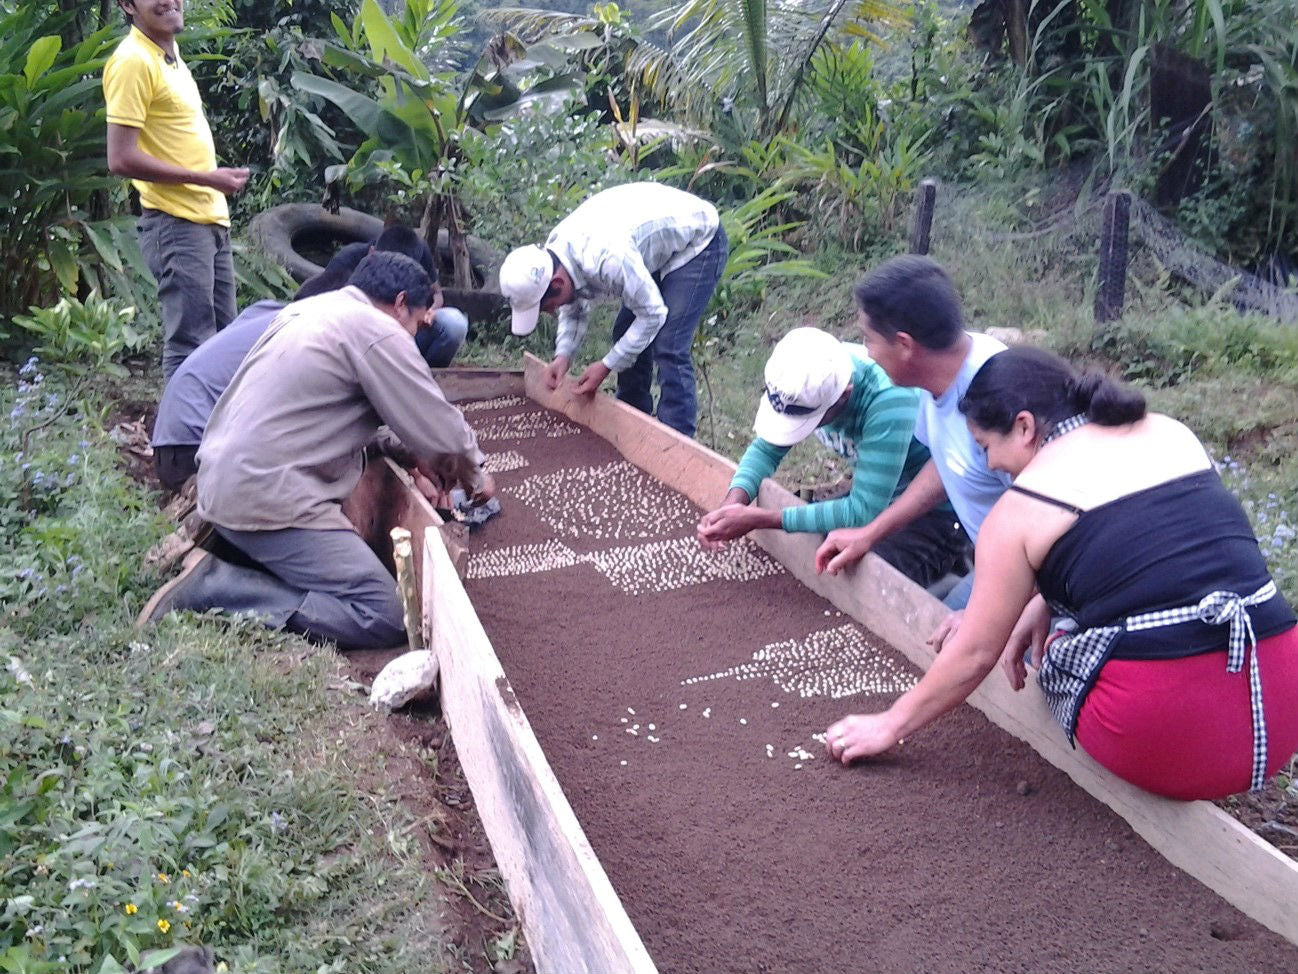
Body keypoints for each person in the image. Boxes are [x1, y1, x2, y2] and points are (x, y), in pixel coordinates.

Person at [825, 346, 1298, 800]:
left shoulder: (1020, 508)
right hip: (1277, 707)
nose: (990, 463)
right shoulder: (1170, 433)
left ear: (1025, 426)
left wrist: (888, 724)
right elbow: (1161, 553)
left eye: (986, 445)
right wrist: (1045, 598)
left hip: (1163, 736)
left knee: (1053, 646)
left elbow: (975, 652)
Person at [139, 252, 494, 649]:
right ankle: (218, 588)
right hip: (266, 498)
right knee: (388, 613)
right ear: (399, 303)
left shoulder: (309, 311)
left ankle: (231, 560)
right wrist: (476, 474)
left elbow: (317, 423)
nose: (416, 334)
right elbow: (438, 426)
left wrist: (408, 453)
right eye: (418, 321)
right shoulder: (378, 330)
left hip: (223, 482)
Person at [150, 228, 467, 492]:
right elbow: (331, 428)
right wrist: (415, 465)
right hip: (193, 448)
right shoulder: (334, 335)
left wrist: (405, 453)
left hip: (174, 438)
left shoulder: (279, 314)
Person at [696, 326, 969, 589]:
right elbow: (767, 448)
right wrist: (732, 504)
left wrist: (762, 518)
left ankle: (957, 570)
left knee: (859, 579)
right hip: (883, 495)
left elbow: (861, 511)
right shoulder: (806, 374)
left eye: (813, 420)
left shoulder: (888, 400)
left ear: (844, 396)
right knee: (810, 548)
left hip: (936, 514)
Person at [814, 256, 1011, 610]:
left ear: (904, 345)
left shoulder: (997, 398)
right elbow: (943, 464)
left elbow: (1054, 520)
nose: (868, 354)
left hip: (1034, 573)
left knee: (946, 636)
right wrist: (869, 534)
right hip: (992, 552)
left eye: (868, 340)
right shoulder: (933, 380)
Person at [498, 182, 728, 438]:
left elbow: (653, 314)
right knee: (625, 330)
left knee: (669, 345)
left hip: (698, 240)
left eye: (547, 306)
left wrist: (607, 365)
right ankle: (633, 419)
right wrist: (563, 355)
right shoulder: (558, 253)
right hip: (646, 244)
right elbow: (574, 304)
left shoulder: (607, 260)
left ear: (557, 284)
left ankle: (677, 442)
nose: (551, 312)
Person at [104, 0, 250, 382]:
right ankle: (179, 442)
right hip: (176, 224)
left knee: (223, 342)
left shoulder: (170, 57)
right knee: (191, 344)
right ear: (127, 5)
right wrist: (206, 178)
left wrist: (212, 186)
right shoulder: (133, 60)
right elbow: (120, 158)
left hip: (209, 220)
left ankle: (217, 439)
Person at [294, 226, 469, 368]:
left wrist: (427, 311)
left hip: (406, 332)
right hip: (360, 343)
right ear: (372, 253)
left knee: (454, 323)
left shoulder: (418, 250)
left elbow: (437, 293)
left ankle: (426, 376)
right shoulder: (348, 260)